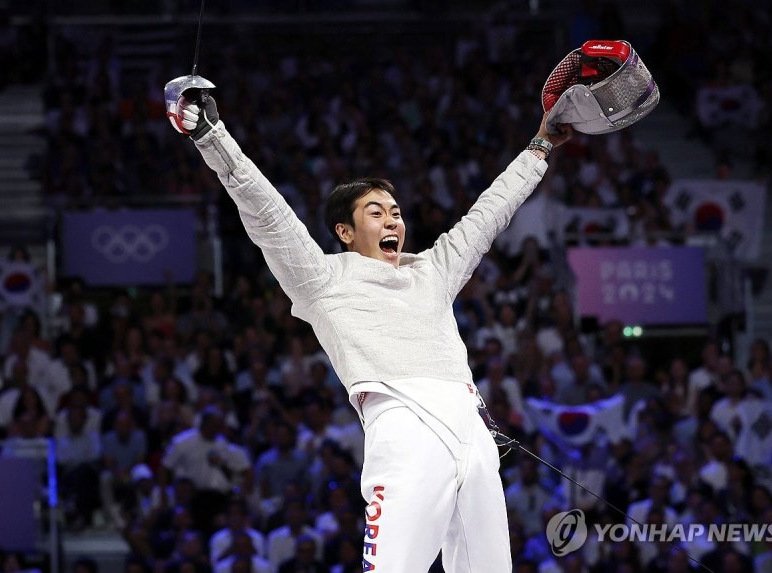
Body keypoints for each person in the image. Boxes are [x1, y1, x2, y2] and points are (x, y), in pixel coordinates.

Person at [168, 87, 570, 571]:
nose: (391, 220)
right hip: (403, 425)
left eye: (395, 212)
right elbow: (266, 212)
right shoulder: (321, 278)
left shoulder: (433, 270)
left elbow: (489, 213)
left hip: (474, 431)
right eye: (375, 212)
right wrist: (213, 137)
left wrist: (541, 145)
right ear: (344, 231)